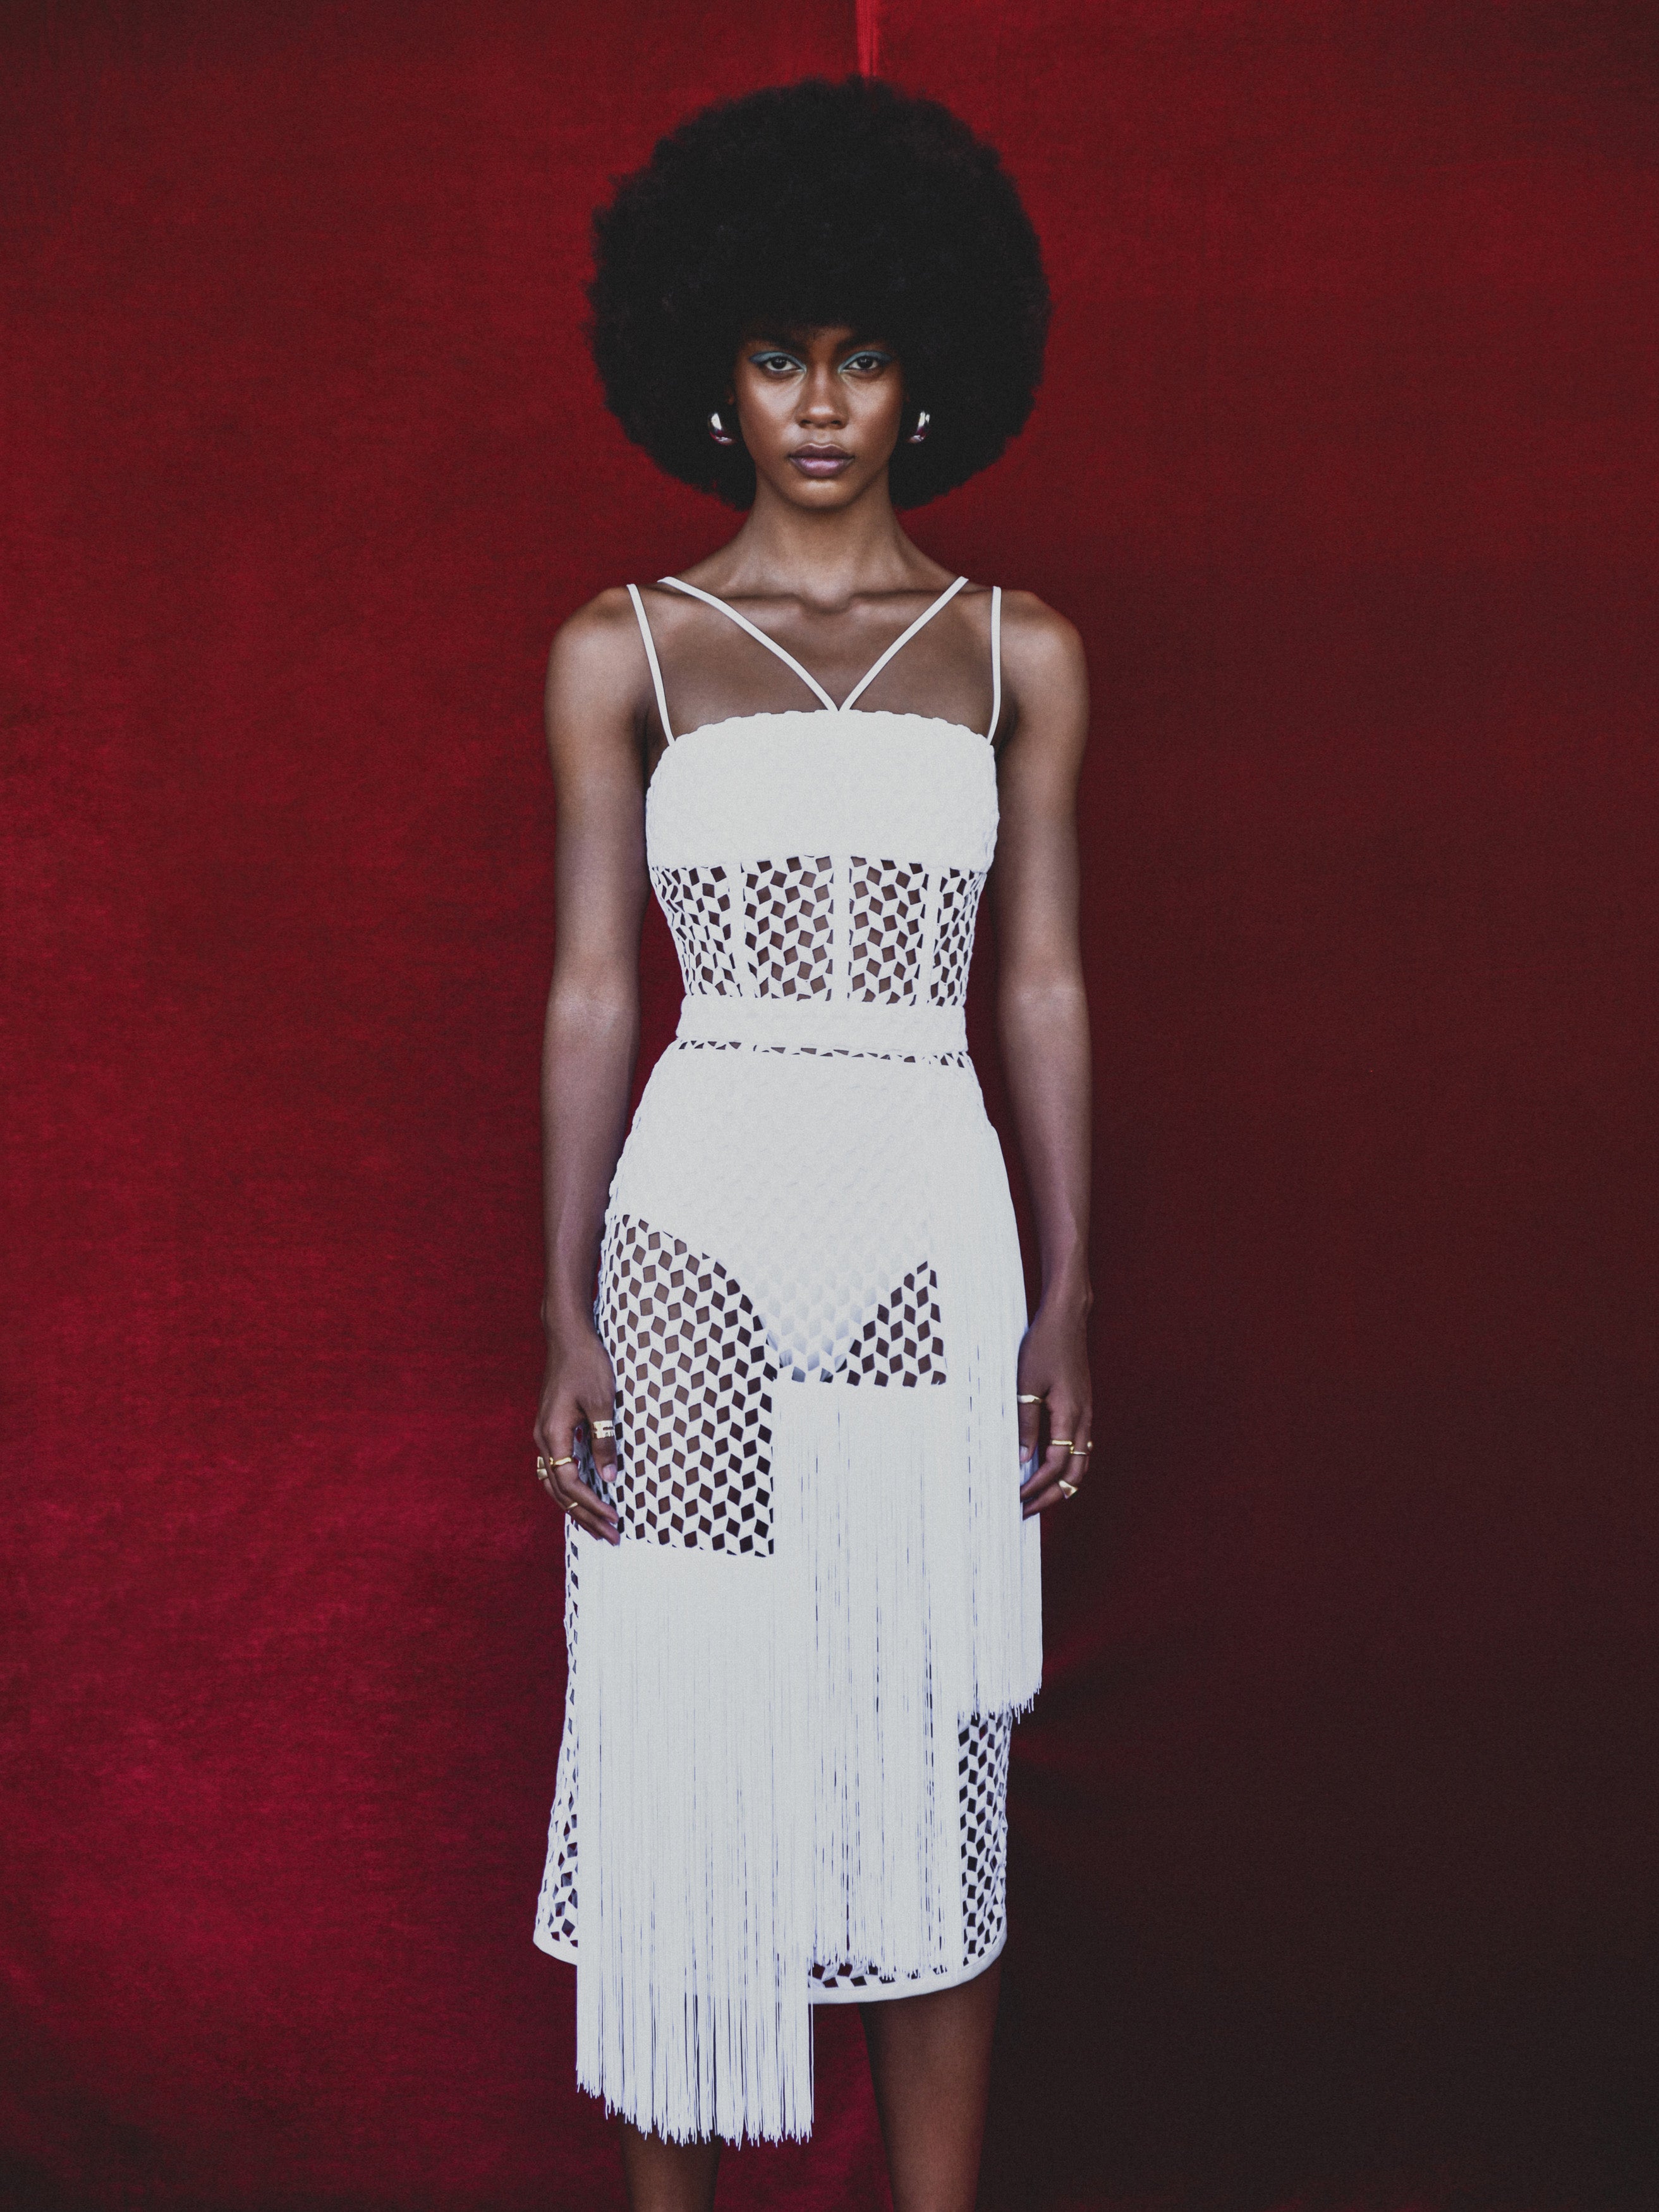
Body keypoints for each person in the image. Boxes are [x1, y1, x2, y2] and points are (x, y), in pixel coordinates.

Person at [530, 75, 1093, 2212]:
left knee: (921, 1739)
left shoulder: (1020, 651)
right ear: (713, 369)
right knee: (691, 1751)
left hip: (929, 1225)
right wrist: (562, 1304)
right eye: (779, 354)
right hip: (697, 1226)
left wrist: (1069, 1290)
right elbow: (595, 989)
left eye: (861, 353)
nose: (823, 403)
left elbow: (1040, 987)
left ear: (928, 364)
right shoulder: (625, 647)